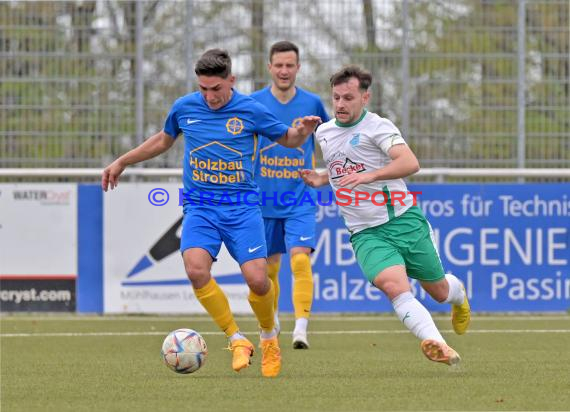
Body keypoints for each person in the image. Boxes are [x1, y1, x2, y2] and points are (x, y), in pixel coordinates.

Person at [101, 49, 321, 377]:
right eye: (203, 89)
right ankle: (236, 338)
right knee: (195, 270)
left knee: (259, 281)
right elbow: (162, 141)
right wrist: (122, 161)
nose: (209, 96)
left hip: (243, 207)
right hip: (201, 207)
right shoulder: (185, 107)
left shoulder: (250, 110)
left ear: (231, 81)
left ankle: (269, 338)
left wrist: (302, 130)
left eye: (216, 89)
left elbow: (289, 139)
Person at [301, 65, 470, 366]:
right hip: (365, 233)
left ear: (365, 98)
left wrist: (372, 176)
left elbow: (410, 162)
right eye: (336, 97)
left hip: (403, 221)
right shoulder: (324, 133)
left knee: (439, 292)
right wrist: (322, 178)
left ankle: (459, 296)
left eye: (348, 98)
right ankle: (440, 345)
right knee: (394, 286)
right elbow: (344, 167)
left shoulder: (379, 127)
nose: (340, 104)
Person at [251, 41, 329, 349]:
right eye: (279, 65)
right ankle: (273, 319)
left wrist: (327, 176)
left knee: (300, 261)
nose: (284, 71)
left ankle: (301, 328)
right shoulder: (253, 103)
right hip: (263, 200)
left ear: (298, 68)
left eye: (290, 65)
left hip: (300, 199)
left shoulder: (312, 104)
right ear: (269, 67)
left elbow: (330, 139)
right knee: (268, 269)